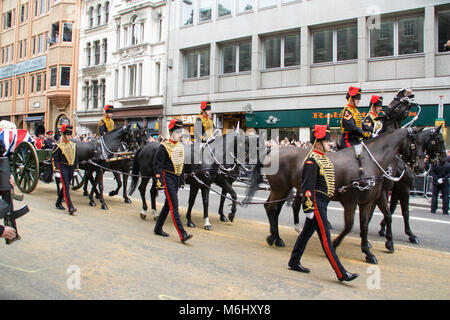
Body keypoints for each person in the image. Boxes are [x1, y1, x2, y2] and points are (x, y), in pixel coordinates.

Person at [288, 124, 359, 282]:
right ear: (319, 143)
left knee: (305, 234)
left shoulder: (322, 159)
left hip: (323, 201)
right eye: (328, 141)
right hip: (316, 204)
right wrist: (309, 207)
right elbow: (307, 187)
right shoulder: (312, 161)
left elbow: (325, 184)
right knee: (326, 240)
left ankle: (294, 261)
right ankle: (341, 273)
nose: (330, 143)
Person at [153, 119, 193, 242]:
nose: (180, 135)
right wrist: (159, 182)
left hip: (175, 179)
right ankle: (183, 234)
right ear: (171, 132)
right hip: (167, 177)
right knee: (174, 206)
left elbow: (181, 165)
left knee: (167, 204)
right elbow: (157, 166)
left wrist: (181, 181)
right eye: (178, 133)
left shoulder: (180, 146)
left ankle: (158, 228)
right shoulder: (163, 147)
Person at [52, 124, 78, 215]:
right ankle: (70, 207)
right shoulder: (58, 145)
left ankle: (58, 202)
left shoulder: (73, 145)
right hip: (63, 167)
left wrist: (76, 168)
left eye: (70, 135)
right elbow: (55, 159)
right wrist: (56, 170)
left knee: (65, 185)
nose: (69, 137)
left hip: (71, 168)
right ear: (63, 135)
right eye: (67, 135)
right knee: (66, 186)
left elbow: (75, 158)